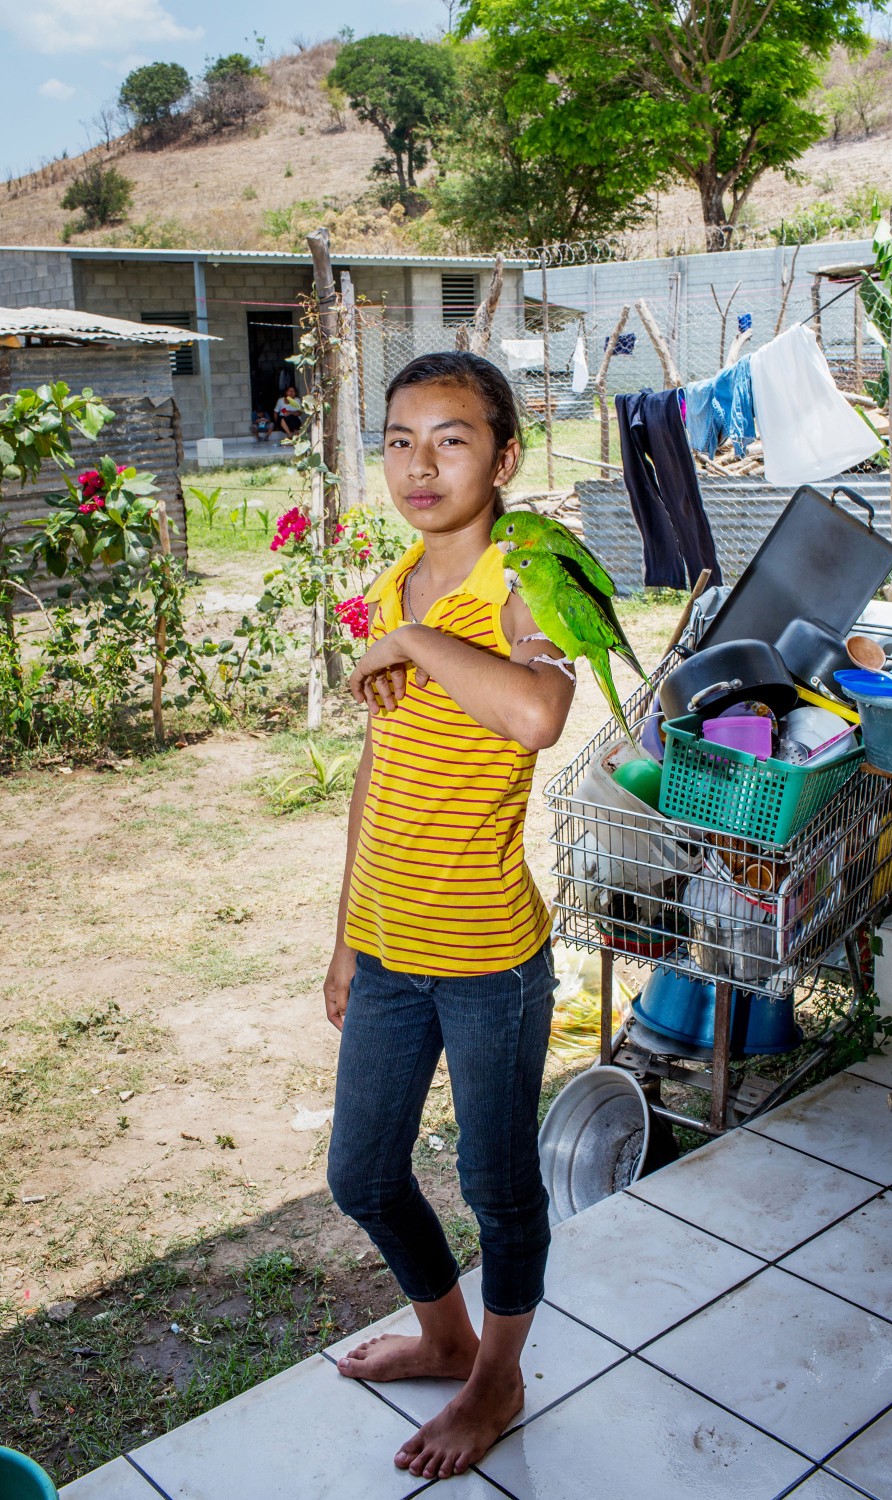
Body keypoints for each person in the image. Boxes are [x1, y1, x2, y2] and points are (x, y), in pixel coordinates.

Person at [324, 351, 575, 1482]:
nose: (419, 464)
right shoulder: (393, 585)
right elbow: (374, 776)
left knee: (497, 1184)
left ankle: (498, 1376)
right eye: (398, 439)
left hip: (487, 963)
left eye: (452, 438)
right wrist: (342, 938)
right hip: (387, 950)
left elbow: (534, 715)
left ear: (505, 455)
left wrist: (421, 643)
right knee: (363, 1175)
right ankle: (444, 1336)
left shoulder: (529, 576)